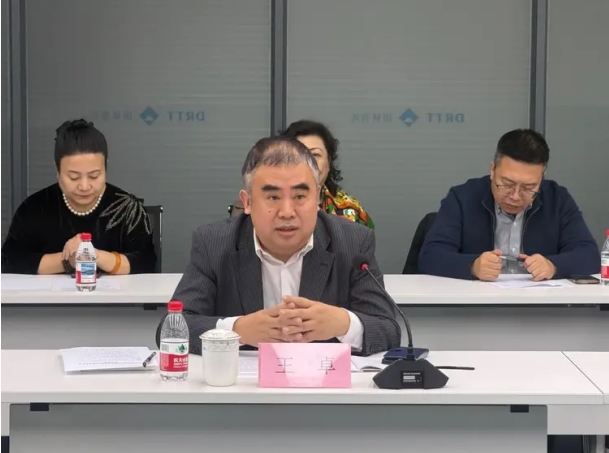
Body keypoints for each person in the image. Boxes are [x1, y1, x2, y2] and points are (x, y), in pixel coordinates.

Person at [158, 136, 399, 356]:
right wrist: (237, 330)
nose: (287, 212)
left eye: (300, 197)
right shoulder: (214, 243)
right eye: (273, 197)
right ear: (247, 202)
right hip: (245, 386)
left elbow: (388, 329)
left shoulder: (353, 242)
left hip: (323, 385)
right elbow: (171, 329)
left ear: (317, 197)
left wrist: (342, 323)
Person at [418, 128, 600, 281]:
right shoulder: (462, 197)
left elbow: (589, 255)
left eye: (528, 188)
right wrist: (472, 266)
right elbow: (430, 256)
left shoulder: (558, 200)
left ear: (541, 179)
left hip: (538, 305)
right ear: (492, 170)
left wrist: (553, 266)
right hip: (477, 305)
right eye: (507, 184)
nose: (515, 196)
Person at [1, 119, 156, 275]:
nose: (84, 186)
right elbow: (10, 261)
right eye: (74, 177)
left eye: (94, 176)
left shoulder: (127, 209)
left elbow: (146, 261)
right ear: (57, 171)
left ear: (105, 167)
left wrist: (95, 256)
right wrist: (67, 261)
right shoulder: (35, 208)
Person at [230, 120, 374, 229]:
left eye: (315, 155)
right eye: (300, 155)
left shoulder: (351, 210)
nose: (309, 163)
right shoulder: (254, 206)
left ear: (329, 162)